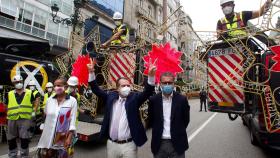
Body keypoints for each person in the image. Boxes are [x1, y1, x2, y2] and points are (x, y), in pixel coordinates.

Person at [87, 58, 156, 158]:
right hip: (112, 144)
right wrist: (91, 72)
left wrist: (151, 76)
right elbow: (96, 89)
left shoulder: (135, 98)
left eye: (128, 85)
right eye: (123, 86)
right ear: (117, 88)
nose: (127, 88)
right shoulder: (111, 96)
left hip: (129, 145)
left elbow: (147, 92)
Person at [148, 72, 190, 158]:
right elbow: (151, 119)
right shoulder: (154, 100)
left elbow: (186, 120)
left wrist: (177, 131)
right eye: (164, 83)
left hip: (177, 142)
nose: (167, 85)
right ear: (160, 84)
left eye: (170, 83)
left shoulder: (182, 100)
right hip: (159, 143)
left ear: (173, 84)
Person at [37, 77, 77, 158]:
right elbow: (45, 116)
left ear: (65, 87)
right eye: (54, 86)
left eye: (59, 85)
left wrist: (69, 138)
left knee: (63, 156)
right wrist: (42, 132)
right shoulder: (49, 100)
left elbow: (72, 121)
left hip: (62, 138)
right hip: (48, 137)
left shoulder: (72, 101)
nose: (56, 87)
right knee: (47, 155)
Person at [6, 75, 38, 158]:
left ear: (23, 82)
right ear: (13, 84)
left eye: (20, 82)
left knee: (24, 138)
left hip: (25, 118)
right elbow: (6, 106)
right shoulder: (9, 94)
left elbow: (35, 103)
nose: (18, 83)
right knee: (11, 138)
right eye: (16, 82)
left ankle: (24, 155)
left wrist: (33, 112)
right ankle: (12, 155)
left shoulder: (29, 92)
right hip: (12, 118)